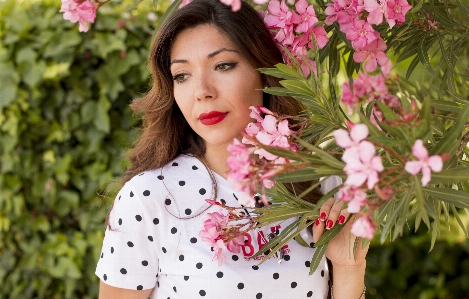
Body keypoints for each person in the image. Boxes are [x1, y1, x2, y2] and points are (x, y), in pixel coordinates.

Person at [95, 0, 368, 298]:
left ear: (265, 71)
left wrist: (350, 266)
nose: (202, 91)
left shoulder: (320, 182)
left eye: (223, 65)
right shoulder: (149, 197)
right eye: (182, 75)